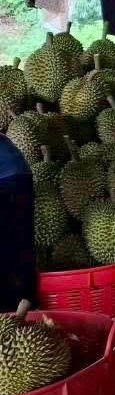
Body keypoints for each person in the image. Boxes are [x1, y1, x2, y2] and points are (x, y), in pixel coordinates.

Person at [1, 133, 36, 311]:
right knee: (19, 249)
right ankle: (23, 309)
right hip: (17, 170)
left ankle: (13, 314)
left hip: (6, 178)